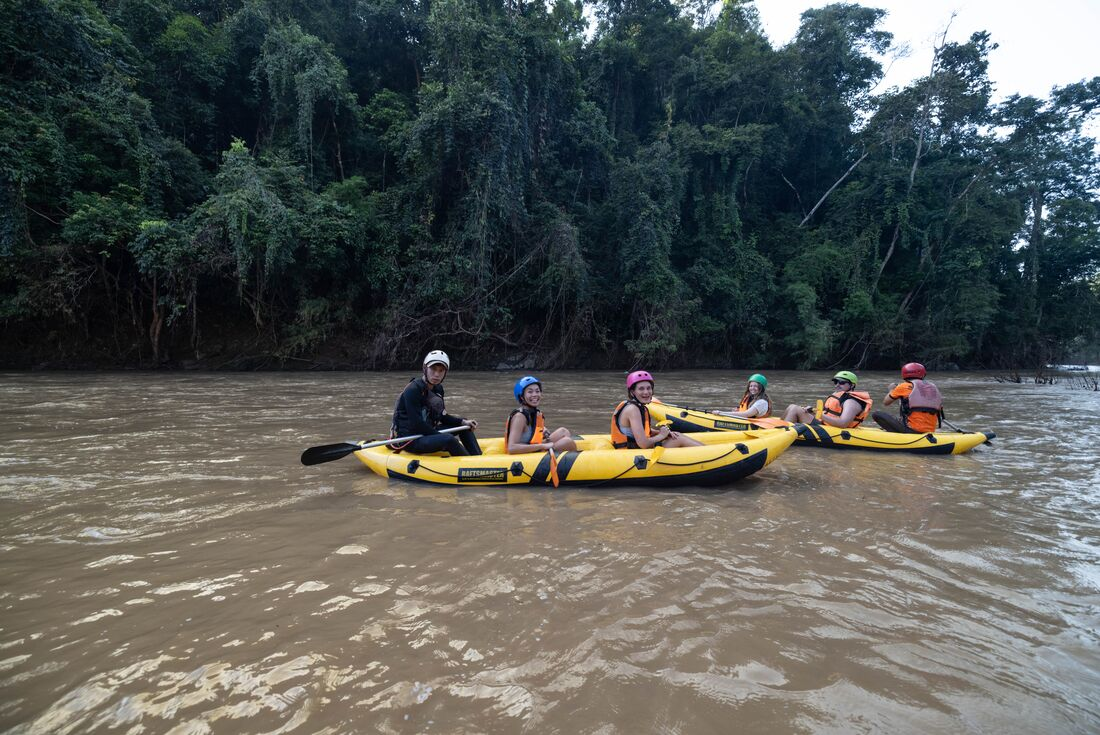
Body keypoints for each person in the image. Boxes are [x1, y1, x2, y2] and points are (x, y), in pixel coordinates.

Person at [390, 350, 481, 456]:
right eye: (433, 369)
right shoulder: (413, 390)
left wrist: (462, 422)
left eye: (441, 370)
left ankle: (478, 458)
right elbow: (417, 424)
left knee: (464, 427)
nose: (437, 374)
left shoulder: (438, 389)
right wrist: (439, 436)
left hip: (427, 433)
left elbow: (442, 416)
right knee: (448, 439)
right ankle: (469, 463)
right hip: (411, 439)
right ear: (425, 368)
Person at [611, 371, 703, 449]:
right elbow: (643, 444)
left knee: (676, 435)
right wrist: (661, 435)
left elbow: (642, 429)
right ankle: (708, 453)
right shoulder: (632, 409)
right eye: (641, 389)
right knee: (678, 438)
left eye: (649, 388)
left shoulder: (636, 406)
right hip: (631, 453)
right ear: (632, 392)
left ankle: (706, 450)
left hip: (636, 449)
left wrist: (664, 433)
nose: (646, 392)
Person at [505, 376, 578, 454]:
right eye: (530, 392)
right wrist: (543, 446)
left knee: (563, 431)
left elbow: (532, 430)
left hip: (533, 447)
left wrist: (543, 430)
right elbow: (511, 448)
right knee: (568, 442)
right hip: (525, 453)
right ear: (522, 397)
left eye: (537, 391)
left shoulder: (533, 413)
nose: (535, 395)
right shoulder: (519, 417)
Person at [782, 371, 872, 428]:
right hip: (825, 424)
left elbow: (843, 424)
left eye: (842, 382)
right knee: (792, 407)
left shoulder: (851, 402)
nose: (837, 385)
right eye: (836, 382)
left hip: (832, 429)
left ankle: (782, 432)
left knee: (795, 409)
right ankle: (778, 427)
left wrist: (818, 414)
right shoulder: (841, 396)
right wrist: (812, 411)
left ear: (852, 385)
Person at [872, 362, 944, 434]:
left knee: (876, 414)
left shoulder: (903, 386)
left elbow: (886, 402)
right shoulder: (933, 388)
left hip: (911, 430)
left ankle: (895, 434)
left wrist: (892, 389)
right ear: (923, 374)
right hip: (930, 430)